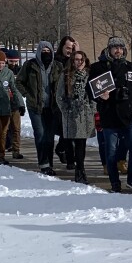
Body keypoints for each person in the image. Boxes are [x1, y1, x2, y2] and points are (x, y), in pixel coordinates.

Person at [88, 36, 132, 193]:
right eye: (115, 48)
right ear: (109, 49)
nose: (118, 50)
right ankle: (114, 182)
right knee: (111, 151)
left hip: (129, 115)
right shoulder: (99, 68)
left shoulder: (131, 67)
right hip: (109, 115)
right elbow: (90, 90)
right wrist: (100, 96)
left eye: (121, 47)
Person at [16, 41, 62, 175]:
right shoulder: (30, 65)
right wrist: (27, 95)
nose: (46, 53)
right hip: (35, 106)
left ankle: (49, 162)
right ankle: (44, 163)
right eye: (43, 51)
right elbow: (19, 81)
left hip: (52, 107)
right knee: (40, 134)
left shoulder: (57, 66)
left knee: (49, 136)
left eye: (48, 51)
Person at [56, 50, 96, 183]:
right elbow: (59, 96)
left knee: (81, 143)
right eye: (76, 60)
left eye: (81, 60)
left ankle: (80, 170)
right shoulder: (66, 75)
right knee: (70, 141)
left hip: (85, 113)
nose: (79, 62)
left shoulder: (89, 75)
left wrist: (92, 108)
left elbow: (94, 93)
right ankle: (74, 164)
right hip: (71, 113)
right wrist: (65, 110)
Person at [53, 36, 78, 168]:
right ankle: (70, 160)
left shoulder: (76, 61)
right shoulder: (56, 62)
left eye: (72, 48)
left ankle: (64, 152)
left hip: (73, 101)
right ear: (62, 47)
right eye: (68, 48)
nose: (70, 51)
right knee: (65, 131)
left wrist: (77, 53)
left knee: (70, 131)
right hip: (59, 100)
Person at [3, 49, 24, 159]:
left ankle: (16, 150)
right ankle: (5, 146)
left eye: (16, 61)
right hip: (4, 103)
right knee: (5, 128)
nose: (14, 64)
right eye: (11, 62)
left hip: (15, 102)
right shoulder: (3, 71)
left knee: (16, 128)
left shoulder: (20, 71)